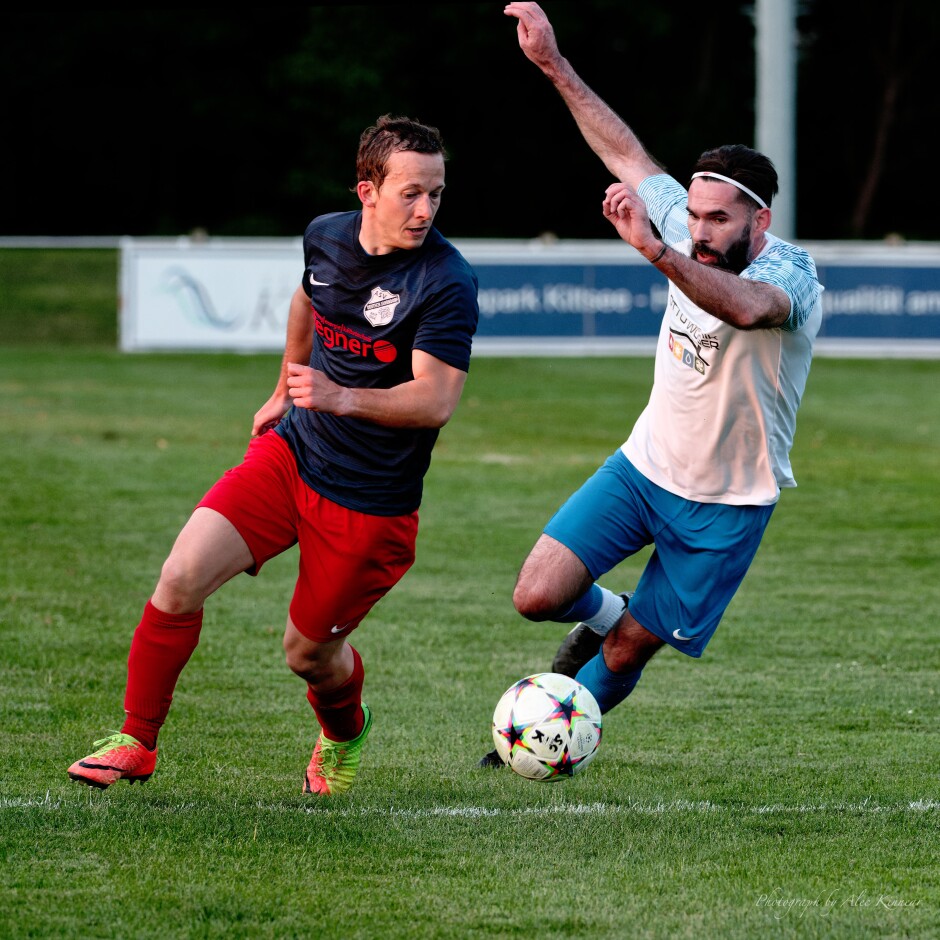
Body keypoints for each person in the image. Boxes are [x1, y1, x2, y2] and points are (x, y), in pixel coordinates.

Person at [66, 114, 480, 795]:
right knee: (179, 576)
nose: (426, 209)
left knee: (308, 655)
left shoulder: (445, 281)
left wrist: (337, 394)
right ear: (367, 191)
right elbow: (306, 298)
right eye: (410, 192)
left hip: (369, 502)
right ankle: (136, 742)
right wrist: (284, 388)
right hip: (294, 455)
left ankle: (345, 732)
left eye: (436, 192)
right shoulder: (325, 235)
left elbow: (435, 400)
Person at [480, 3, 823, 767]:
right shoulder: (684, 221)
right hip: (643, 469)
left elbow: (744, 308)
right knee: (536, 594)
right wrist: (552, 64)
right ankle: (609, 615)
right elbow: (624, 152)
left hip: (728, 505)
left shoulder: (790, 276)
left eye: (717, 221)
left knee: (629, 655)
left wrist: (658, 255)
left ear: (759, 220)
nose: (698, 230)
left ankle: (549, 740)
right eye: (691, 216)